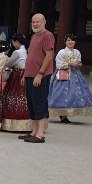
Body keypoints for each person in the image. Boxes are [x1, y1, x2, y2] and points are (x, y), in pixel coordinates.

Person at [21, 13, 55, 144]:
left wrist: (40, 73)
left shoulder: (47, 35)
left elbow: (49, 55)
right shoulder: (34, 36)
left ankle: (40, 133)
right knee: (32, 104)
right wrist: (25, 74)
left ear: (44, 22)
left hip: (40, 76)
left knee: (40, 103)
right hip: (30, 75)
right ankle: (34, 131)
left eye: (38, 22)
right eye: (33, 22)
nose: (35, 24)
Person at [48, 34, 92, 123]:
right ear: (65, 42)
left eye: (72, 40)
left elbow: (79, 61)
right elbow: (58, 64)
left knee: (75, 94)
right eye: (68, 40)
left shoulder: (77, 52)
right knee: (62, 93)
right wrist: (69, 64)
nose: (70, 42)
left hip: (75, 74)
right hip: (63, 73)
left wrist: (79, 65)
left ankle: (68, 112)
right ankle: (63, 115)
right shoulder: (61, 52)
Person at [0, 34, 30, 132]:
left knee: (12, 97)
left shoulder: (17, 52)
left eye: (13, 42)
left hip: (17, 75)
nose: (13, 44)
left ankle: (12, 123)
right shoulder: (27, 51)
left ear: (17, 42)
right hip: (25, 74)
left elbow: (9, 64)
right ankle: (28, 123)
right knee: (25, 98)